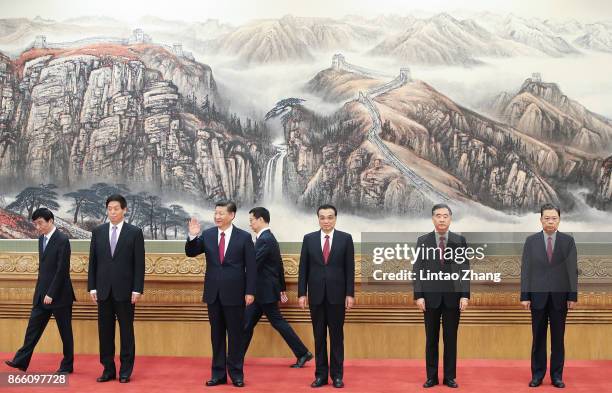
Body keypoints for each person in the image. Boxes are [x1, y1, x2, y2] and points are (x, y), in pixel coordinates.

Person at [186, 200, 256, 388]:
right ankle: (218, 374)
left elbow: (252, 267)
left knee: (236, 336)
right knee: (216, 336)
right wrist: (193, 236)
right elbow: (191, 253)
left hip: (236, 294)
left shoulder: (243, 237)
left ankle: (236, 374)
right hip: (213, 294)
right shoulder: (208, 235)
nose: (217, 216)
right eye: (215, 213)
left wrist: (250, 291)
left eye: (221, 213)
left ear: (231, 215)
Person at [5, 208, 75, 374]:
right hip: (41, 295)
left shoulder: (62, 240)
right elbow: (44, 269)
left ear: (50, 221)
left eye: (40, 223)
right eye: (35, 224)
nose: (38, 227)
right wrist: (41, 293)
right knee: (32, 329)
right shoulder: (41, 239)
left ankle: (67, 365)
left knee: (65, 332)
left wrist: (51, 293)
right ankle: (21, 361)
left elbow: (61, 270)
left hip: (60, 296)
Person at [243, 207, 312, 368]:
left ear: (260, 220)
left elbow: (253, 265)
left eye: (252, 220)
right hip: (263, 291)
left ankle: (303, 353)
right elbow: (279, 265)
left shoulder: (265, 239)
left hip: (264, 292)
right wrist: (281, 288)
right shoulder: (268, 238)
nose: (250, 224)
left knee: (276, 322)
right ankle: (235, 357)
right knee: (246, 324)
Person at [88, 194, 145, 383]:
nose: (112, 212)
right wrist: (92, 287)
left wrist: (137, 289)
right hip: (103, 290)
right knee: (105, 332)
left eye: (116, 209)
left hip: (126, 291)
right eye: (109, 208)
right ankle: (108, 369)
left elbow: (139, 264)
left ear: (124, 210)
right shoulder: (98, 232)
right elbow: (93, 262)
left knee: (126, 332)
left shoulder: (135, 232)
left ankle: (126, 370)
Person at [412, 203, 470, 389]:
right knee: (431, 340)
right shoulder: (423, 241)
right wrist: (418, 296)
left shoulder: (459, 240)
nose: (442, 219)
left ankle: (450, 377)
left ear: (450, 218)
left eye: (445, 215)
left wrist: (465, 295)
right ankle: (431, 377)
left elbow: (464, 270)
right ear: (433, 218)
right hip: (429, 299)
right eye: (438, 215)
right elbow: (417, 270)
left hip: (454, 299)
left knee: (450, 339)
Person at [520, 203, 578, 389]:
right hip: (536, 297)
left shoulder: (568, 241)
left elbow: (571, 271)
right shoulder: (531, 241)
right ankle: (537, 375)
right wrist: (525, 296)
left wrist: (572, 296)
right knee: (538, 338)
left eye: (554, 218)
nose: (550, 222)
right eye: (547, 218)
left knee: (558, 339)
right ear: (541, 220)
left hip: (560, 299)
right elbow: (526, 270)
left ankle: (557, 376)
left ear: (559, 220)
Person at [298, 204, 355, 388]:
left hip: (338, 296)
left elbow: (350, 269)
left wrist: (350, 294)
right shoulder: (309, 239)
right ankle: (321, 375)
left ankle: (337, 376)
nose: (326, 221)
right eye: (322, 217)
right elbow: (303, 269)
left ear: (335, 218)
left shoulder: (346, 239)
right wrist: (301, 293)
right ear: (318, 219)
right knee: (319, 336)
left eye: (330, 217)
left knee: (337, 337)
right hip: (315, 296)